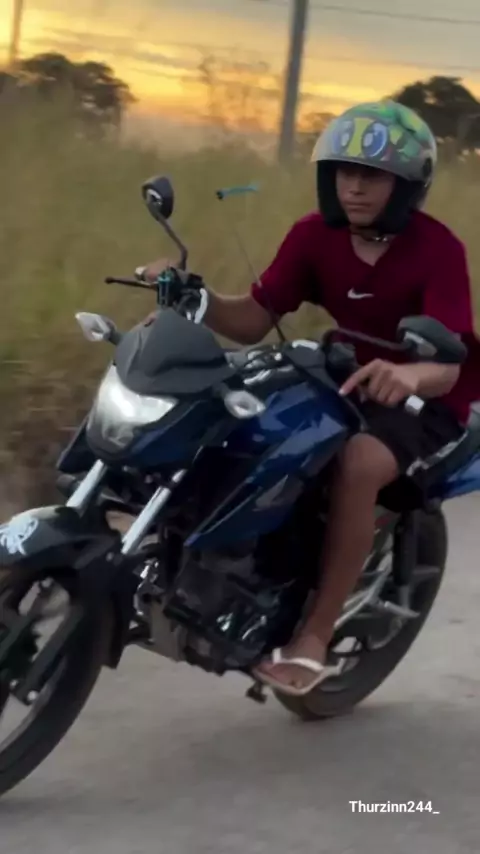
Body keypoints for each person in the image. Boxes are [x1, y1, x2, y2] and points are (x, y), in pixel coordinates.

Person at [141, 100, 479, 697]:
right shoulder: (313, 235)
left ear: (407, 185)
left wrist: (409, 376)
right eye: (344, 172)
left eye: (372, 176)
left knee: (359, 464)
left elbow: (448, 367)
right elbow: (253, 319)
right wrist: (195, 295)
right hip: (345, 372)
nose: (354, 187)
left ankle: (315, 636)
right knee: (241, 418)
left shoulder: (439, 250)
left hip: (424, 400)